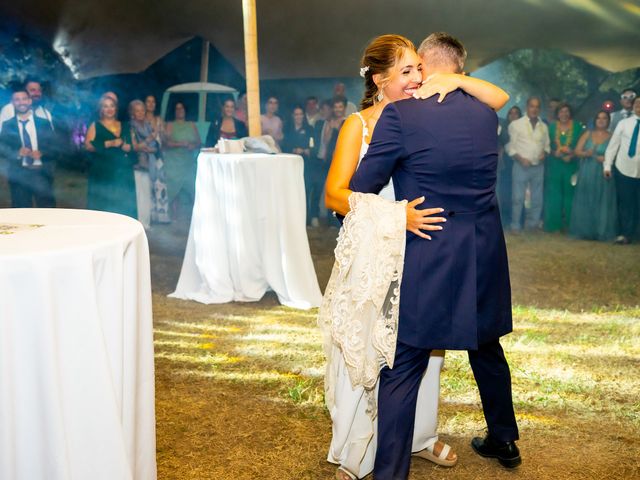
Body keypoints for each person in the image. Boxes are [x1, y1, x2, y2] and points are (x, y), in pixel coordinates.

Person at [322, 33, 512, 480]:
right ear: (381, 78)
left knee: (405, 362)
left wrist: (395, 214)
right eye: (406, 71)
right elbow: (339, 194)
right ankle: (501, 434)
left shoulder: (405, 117)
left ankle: (398, 462)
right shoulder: (484, 114)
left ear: (433, 70)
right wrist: (395, 215)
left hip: (424, 252)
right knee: (478, 344)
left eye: (417, 69)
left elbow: (365, 185)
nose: (416, 78)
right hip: (472, 252)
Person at [0, 87, 56, 207]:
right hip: (19, 175)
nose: (21, 102)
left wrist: (43, 153)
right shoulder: (7, 125)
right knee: (21, 211)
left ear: (29, 101)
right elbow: (2, 149)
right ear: (13, 103)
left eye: (24, 99)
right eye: (17, 99)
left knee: (47, 210)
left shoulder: (44, 123)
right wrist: (17, 153)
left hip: (41, 173)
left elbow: (56, 147)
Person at [84, 95, 137, 218]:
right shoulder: (95, 125)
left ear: (116, 109)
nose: (109, 109)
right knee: (104, 204)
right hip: (103, 171)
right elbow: (87, 145)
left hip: (123, 171)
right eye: (105, 106)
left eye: (112, 106)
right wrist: (109, 143)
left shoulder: (125, 125)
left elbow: (133, 145)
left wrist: (129, 147)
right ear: (101, 110)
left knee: (124, 204)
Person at [569, 111, 616, 240]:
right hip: (588, 171)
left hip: (603, 172)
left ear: (608, 121)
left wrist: (606, 158)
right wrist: (586, 154)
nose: (601, 120)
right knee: (587, 197)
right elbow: (577, 151)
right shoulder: (587, 134)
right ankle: (585, 230)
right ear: (595, 120)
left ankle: (600, 231)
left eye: (604, 118)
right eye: (598, 118)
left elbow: (617, 153)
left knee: (603, 199)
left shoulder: (612, 136)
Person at [506, 97, 550, 231]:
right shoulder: (516, 124)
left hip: (538, 166)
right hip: (521, 165)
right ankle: (515, 225)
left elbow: (547, 146)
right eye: (532, 106)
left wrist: (545, 153)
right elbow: (510, 147)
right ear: (527, 107)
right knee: (518, 198)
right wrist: (521, 159)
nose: (534, 109)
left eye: (537, 107)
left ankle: (533, 225)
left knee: (537, 198)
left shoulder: (543, 126)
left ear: (540, 109)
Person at [604, 95, 640, 244]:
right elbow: (613, 145)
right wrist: (607, 165)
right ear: (633, 106)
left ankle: (636, 234)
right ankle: (624, 234)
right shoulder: (623, 123)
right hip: (623, 168)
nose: (639, 106)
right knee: (625, 203)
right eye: (637, 103)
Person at [543, 103, 584, 232]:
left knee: (570, 195)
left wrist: (571, 154)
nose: (564, 114)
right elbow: (545, 145)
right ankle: (554, 225)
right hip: (554, 164)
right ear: (557, 113)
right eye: (561, 111)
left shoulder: (578, 127)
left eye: (566, 111)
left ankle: (570, 225)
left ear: (570, 113)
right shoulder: (551, 127)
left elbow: (582, 146)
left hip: (571, 165)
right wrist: (554, 153)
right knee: (554, 194)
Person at [130, 99, 170, 224]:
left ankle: (146, 223)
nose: (141, 113)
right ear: (133, 113)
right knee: (140, 194)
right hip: (138, 163)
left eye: (142, 110)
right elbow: (135, 146)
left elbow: (155, 144)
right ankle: (140, 223)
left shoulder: (147, 125)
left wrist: (151, 147)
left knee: (147, 194)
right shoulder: (132, 126)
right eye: (137, 111)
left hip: (150, 162)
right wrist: (150, 139)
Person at [163, 101, 201, 218]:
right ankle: (174, 217)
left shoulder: (191, 125)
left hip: (188, 162)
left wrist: (193, 146)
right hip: (173, 162)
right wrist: (180, 144)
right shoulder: (170, 125)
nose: (180, 111)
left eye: (182, 109)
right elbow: (165, 143)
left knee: (193, 189)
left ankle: (196, 216)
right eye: (177, 109)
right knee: (174, 190)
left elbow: (199, 142)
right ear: (174, 112)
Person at [282, 106, 317, 224]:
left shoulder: (309, 129)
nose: (298, 116)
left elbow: (313, 146)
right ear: (293, 116)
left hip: (306, 165)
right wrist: (293, 150)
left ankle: (306, 219)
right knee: (292, 191)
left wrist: (307, 150)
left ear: (303, 115)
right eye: (296, 114)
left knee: (305, 190)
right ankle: (292, 218)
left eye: (300, 114)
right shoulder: (287, 129)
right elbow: (284, 146)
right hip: (290, 165)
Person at [497, 106, 522, 227]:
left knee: (517, 194)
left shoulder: (523, 127)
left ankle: (518, 220)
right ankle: (505, 220)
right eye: (511, 113)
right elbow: (502, 142)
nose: (513, 115)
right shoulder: (502, 125)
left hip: (519, 163)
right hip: (505, 164)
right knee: (504, 192)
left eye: (516, 113)